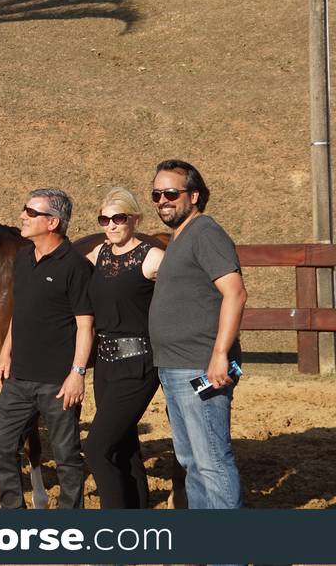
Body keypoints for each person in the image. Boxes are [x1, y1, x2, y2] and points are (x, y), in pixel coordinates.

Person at [149, 159, 246, 509]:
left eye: (171, 193)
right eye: (156, 194)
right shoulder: (182, 237)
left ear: (194, 195)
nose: (162, 200)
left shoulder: (205, 232)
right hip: (176, 367)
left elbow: (235, 292)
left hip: (200, 366)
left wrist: (220, 354)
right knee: (193, 464)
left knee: (212, 464)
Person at [0, 188, 94, 509]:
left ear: (53, 222)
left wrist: (77, 374)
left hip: (58, 383)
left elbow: (85, 326)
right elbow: (19, 313)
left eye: (31, 212)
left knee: (65, 456)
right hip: (18, 378)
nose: (23, 216)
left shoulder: (74, 265)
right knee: (1, 446)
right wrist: (6, 352)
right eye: (25, 210)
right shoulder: (22, 258)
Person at [83, 187, 164, 509]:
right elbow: (66, 272)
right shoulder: (98, 255)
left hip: (139, 364)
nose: (111, 225)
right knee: (124, 446)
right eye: (105, 219)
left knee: (97, 448)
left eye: (119, 218)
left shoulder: (153, 256)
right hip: (104, 367)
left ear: (135, 219)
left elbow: (191, 291)